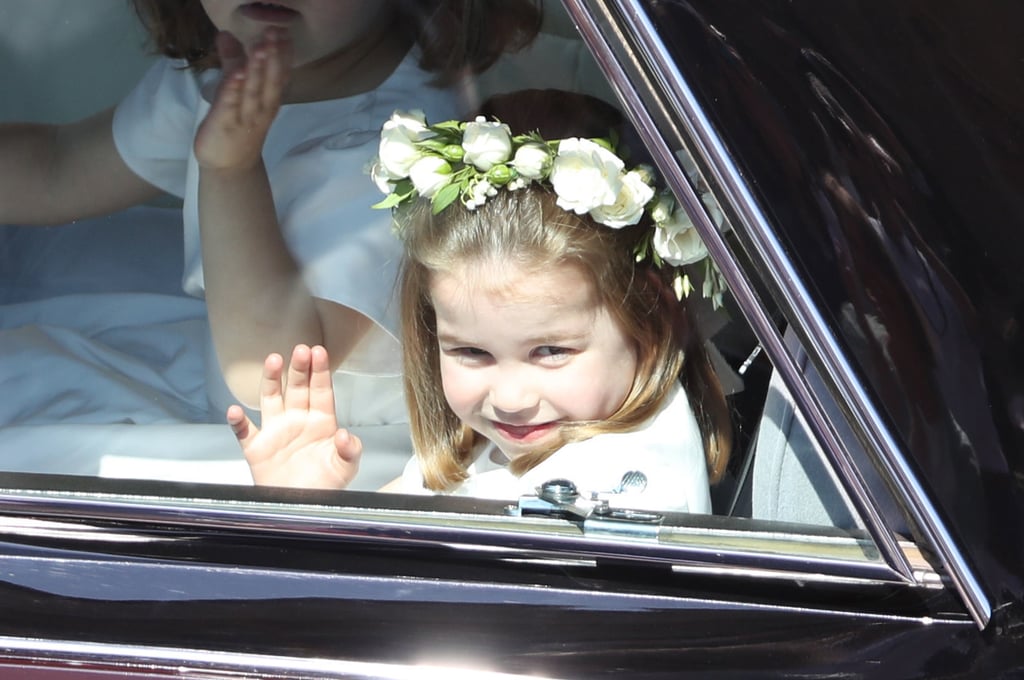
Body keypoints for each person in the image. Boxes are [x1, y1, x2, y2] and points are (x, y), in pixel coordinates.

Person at [0, 0, 542, 418]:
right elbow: (58, 168)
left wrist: (230, 171)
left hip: (331, 455)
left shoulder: (409, 145)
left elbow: (280, 373)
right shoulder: (225, 68)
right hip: (229, 396)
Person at [230, 92, 733, 513]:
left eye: (550, 351)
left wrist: (305, 520)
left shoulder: (596, 494)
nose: (511, 398)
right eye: (471, 352)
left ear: (650, 318)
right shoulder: (552, 437)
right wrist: (303, 503)